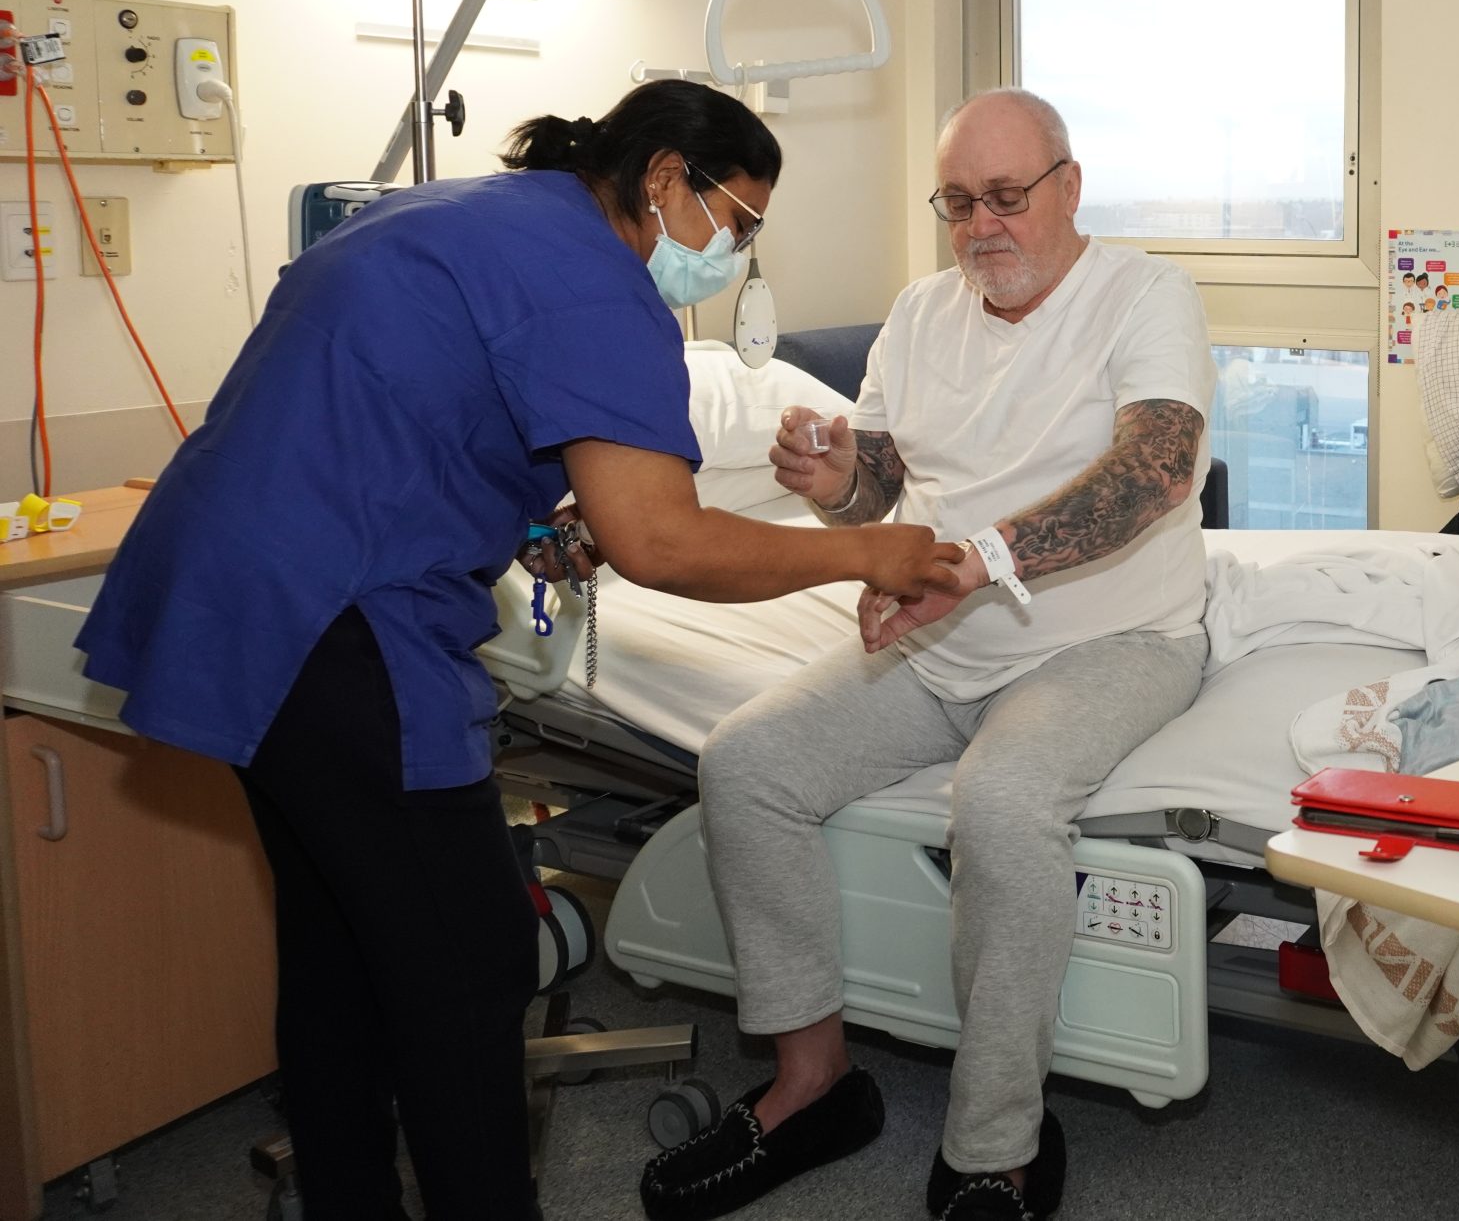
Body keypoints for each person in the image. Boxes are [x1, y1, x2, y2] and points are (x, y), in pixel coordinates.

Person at [75, 80, 966, 1221]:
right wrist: (867, 555)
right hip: (335, 617)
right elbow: (662, 540)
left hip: (226, 590)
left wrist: (544, 521)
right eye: (736, 225)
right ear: (662, 180)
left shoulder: (451, 214)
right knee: (473, 962)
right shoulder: (592, 284)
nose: (734, 255)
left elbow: (425, 411)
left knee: (338, 943)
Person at [642, 89, 1213, 1221]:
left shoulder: (1145, 294)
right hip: (939, 644)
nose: (982, 225)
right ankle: (813, 1087)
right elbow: (888, 482)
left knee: (999, 805)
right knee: (748, 764)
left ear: (1069, 185)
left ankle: (993, 1145)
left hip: (1111, 639)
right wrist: (833, 481)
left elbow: (1155, 473)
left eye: (1006, 197)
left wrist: (978, 560)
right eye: (958, 202)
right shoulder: (921, 312)